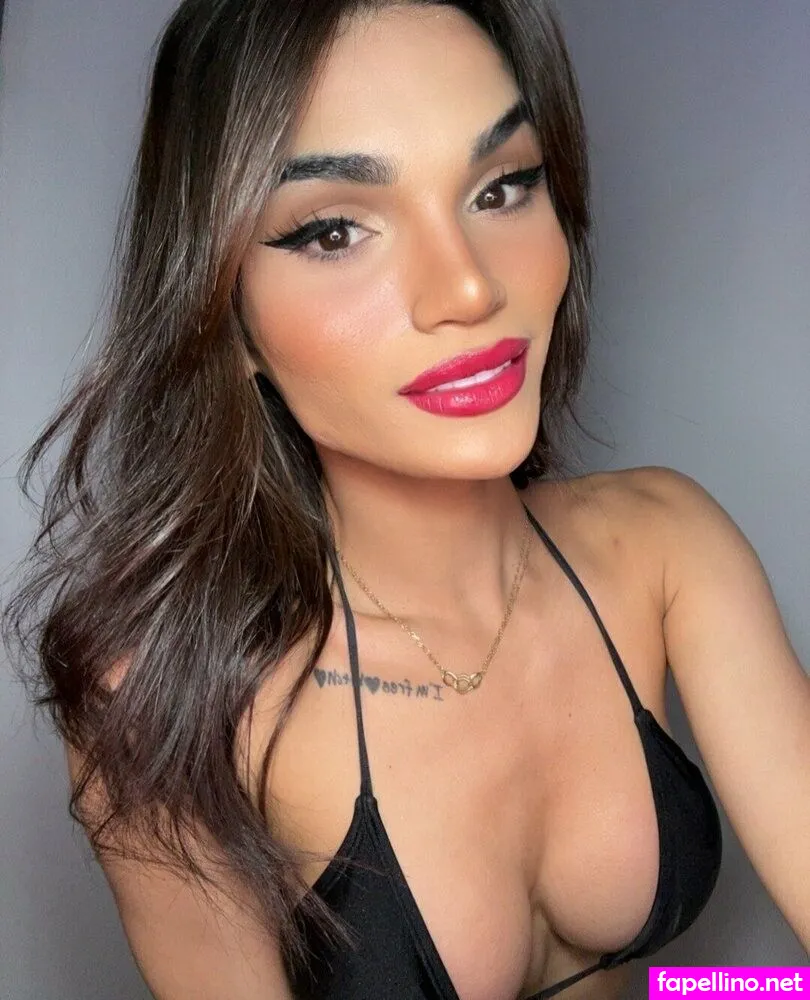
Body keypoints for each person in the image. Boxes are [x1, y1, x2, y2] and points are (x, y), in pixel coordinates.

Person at [3, 1, 808, 998]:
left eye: (502, 186)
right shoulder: (164, 697)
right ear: (227, 315)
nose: (468, 288)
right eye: (335, 230)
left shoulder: (666, 547)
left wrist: (738, 989)